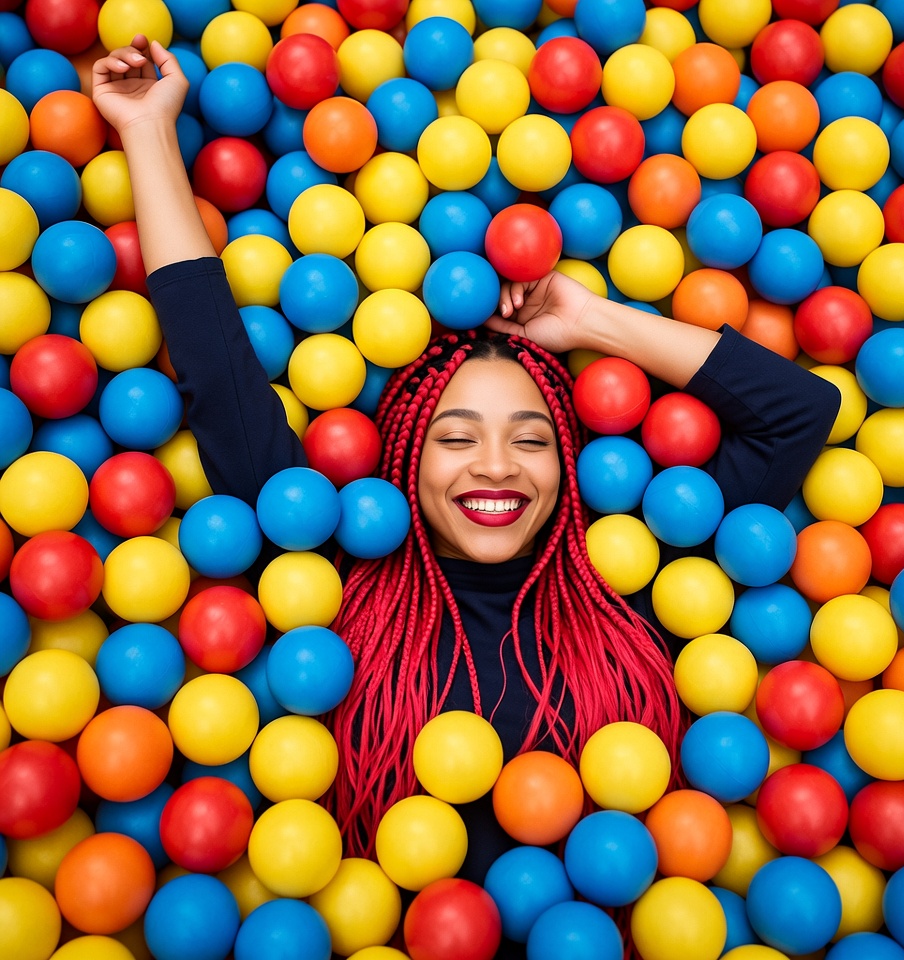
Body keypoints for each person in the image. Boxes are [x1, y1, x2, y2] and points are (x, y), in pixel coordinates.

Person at [92, 39, 841, 877]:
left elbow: (799, 413)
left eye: (531, 439)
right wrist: (148, 129)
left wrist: (594, 323)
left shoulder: (649, 590)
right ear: (404, 461)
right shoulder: (323, 573)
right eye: (455, 438)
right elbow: (217, 371)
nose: (495, 465)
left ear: (572, 468)